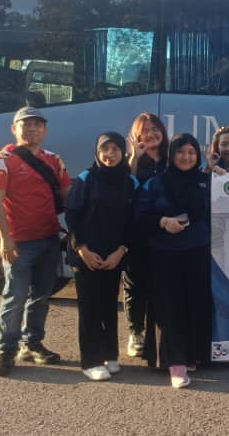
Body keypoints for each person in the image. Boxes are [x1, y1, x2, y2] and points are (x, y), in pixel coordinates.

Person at [0, 106, 71, 377]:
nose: (32, 128)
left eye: (37, 124)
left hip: (49, 239)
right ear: (15, 129)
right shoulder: (2, 160)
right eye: (26, 124)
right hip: (19, 243)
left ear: (44, 130)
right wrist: (5, 239)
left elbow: (68, 197)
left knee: (41, 297)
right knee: (15, 297)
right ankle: (5, 351)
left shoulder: (54, 160)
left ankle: (32, 344)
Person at [136, 133, 213, 388]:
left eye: (191, 152)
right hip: (164, 253)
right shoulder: (155, 182)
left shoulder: (205, 181)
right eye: (180, 151)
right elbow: (139, 216)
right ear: (171, 154)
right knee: (170, 308)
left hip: (198, 251)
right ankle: (175, 363)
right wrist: (162, 222)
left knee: (195, 305)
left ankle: (192, 355)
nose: (186, 157)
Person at [65, 132, 138, 381]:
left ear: (123, 152)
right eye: (105, 149)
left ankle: (110, 355)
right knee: (89, 308)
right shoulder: (86, 178)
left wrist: (121, 251)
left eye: (116, 149)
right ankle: (91, 361)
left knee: (108, 305)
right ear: (97, 152)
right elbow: (72, 215)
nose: (110, 154)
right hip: (87, 254)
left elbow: (133, 221)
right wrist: (82, 249)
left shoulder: (129, 182)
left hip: (114, 255)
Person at [123, 112, 168, 361]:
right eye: (145, 130)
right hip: (138, 232)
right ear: (136, 135)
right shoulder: (132, 161)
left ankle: (156, 334)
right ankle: (135, 333)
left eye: (155, 129)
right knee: (135, 284)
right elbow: (124, 189)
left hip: (165, 231)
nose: (151, 134)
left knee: (160, 284)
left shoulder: (172, 157)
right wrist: (133, 158)